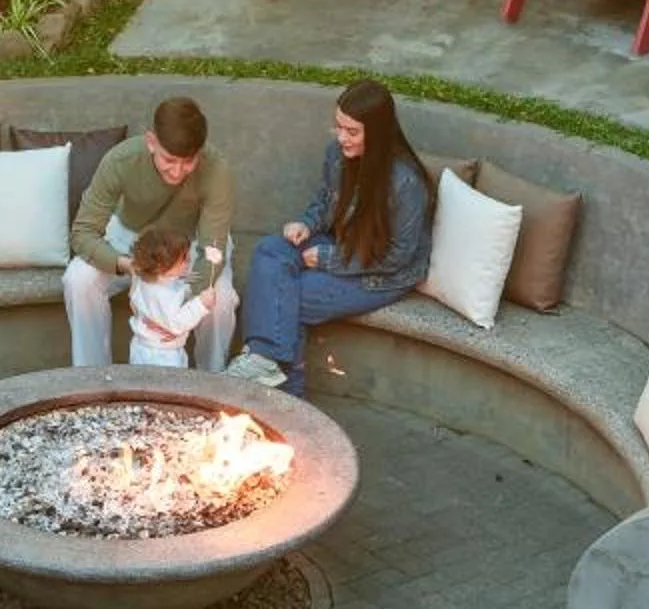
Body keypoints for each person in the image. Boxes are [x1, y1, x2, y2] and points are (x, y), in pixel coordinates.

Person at [225, 79, 435, 396]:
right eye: (338, 127)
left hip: (384, 275)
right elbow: (325, 201)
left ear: (376, 133)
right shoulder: (337, 154)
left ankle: (280, 383)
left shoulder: (406, 184)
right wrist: (307, 224)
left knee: (290, 295)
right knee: (270, 250)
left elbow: (398, 257)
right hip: (343, 244)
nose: (342, 138)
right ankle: (266, 362)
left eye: (353, 132)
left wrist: (329, 259)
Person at [63, 93, 235, 369]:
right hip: (129, 242)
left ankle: (213, 386)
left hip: (189, 249)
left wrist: (177, 315)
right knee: (78, 279)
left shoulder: (216, 169)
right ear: (151, 142)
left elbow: (212, 246)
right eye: (169, 160)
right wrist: (126, 265)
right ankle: (91, 379)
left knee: (222, 298)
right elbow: (83, 232)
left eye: (188, 161)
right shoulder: (120, 161)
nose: (178, 171)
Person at [124, 227, 212, 368]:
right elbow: (177, 324)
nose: (188, 262)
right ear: (162, 265)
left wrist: (184, 283)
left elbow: (137, 303)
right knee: (166, 388)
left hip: (142, 346)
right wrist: (201, 304)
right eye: (184, 260)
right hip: (162, 355)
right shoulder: (161, 295)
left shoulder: (146, 280)